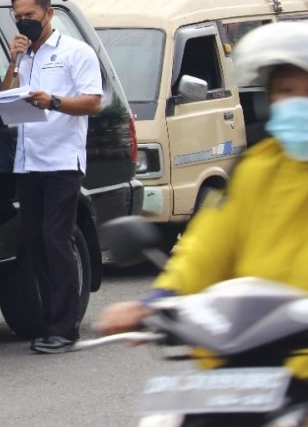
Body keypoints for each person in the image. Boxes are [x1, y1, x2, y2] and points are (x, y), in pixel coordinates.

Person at [97, 21, 308, 377]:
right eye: (284, 91)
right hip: (254, 363)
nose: (292, 103)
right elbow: (209, 244)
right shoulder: (259, 167)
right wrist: (160, 301)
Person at [0, 0, 103, 353]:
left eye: (29, 16)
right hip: (28, 161)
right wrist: (13, 60)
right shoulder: (24, 57)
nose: (23, 23)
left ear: (48, 13)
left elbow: (92, 102)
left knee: (57, 240)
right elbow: (5, 93)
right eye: (17, 18)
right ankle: (48, 320)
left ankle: (66, 325)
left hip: (62, 160)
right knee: (34, 240)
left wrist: (53, 101)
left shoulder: (77, 52)